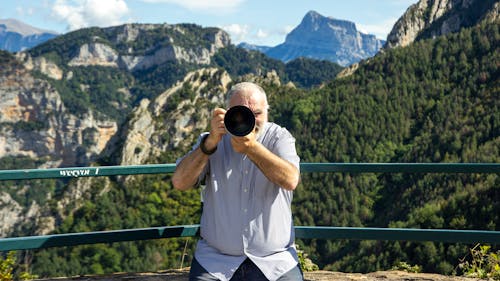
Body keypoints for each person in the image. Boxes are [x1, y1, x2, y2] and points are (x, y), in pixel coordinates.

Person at [172, 82, 303, 281]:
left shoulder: (279, 137)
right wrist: (209, 144)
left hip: (274, 261)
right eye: (241, 113)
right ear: (227, 113)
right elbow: (180, 182)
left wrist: (252, 148)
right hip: (215, 260)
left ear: (267, 112)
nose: (249, 120)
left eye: (256, 113)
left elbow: (291, 179)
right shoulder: (212, 140)